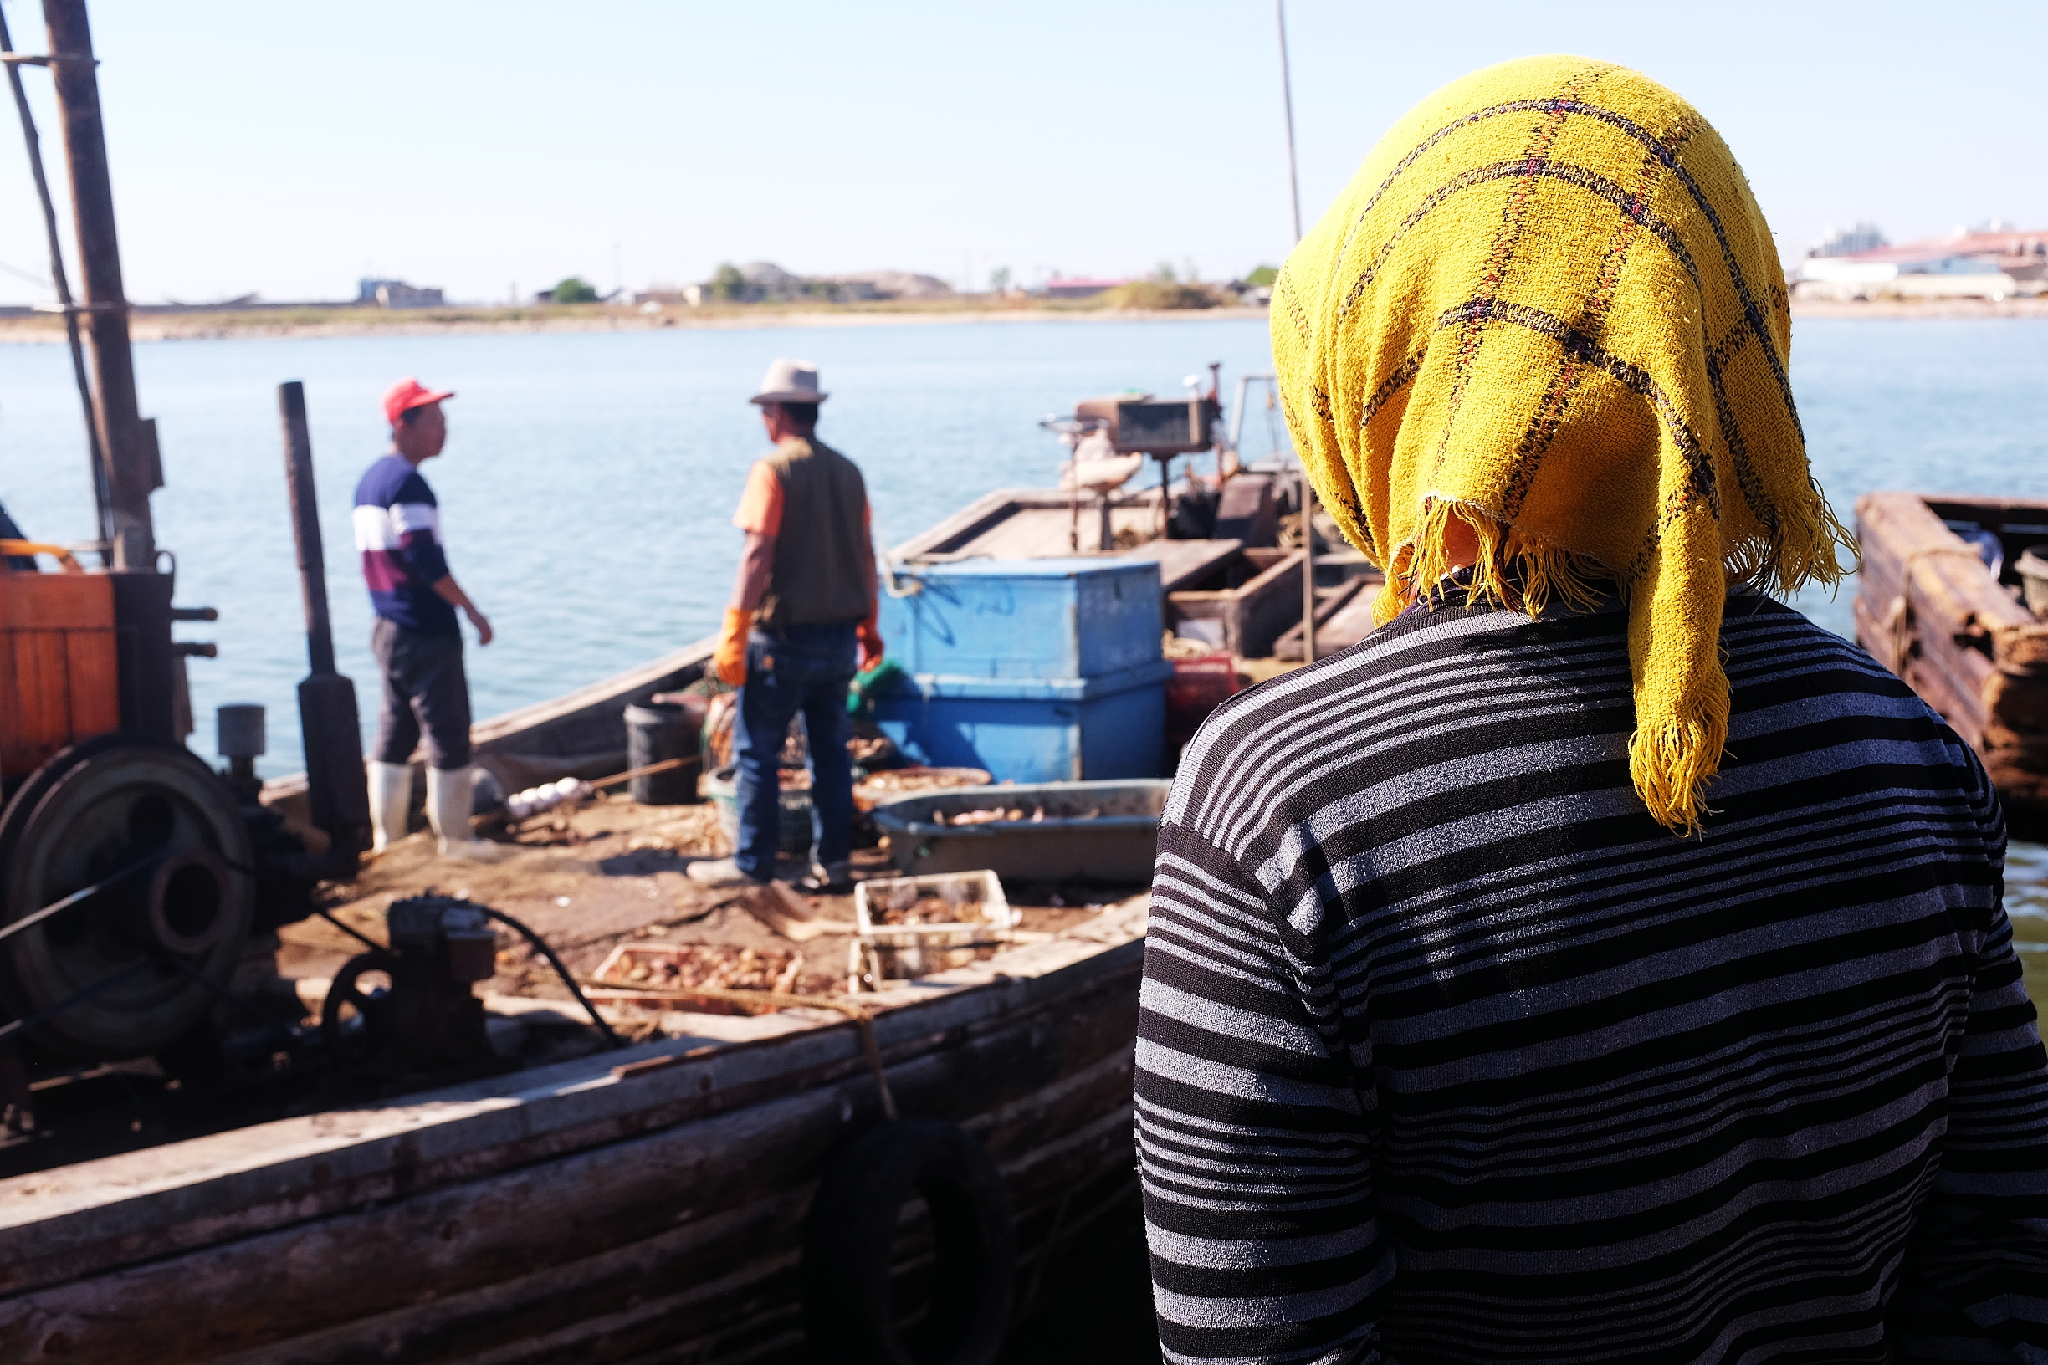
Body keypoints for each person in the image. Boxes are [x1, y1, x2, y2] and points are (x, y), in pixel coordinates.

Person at [1139, 56, 2048, 1363]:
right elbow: (2002, 1274)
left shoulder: (1278, 804)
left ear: (1376, 364)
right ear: (1727, 343)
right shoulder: (1912, 760)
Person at [688, 359, 881, 892]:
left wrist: (733, 630)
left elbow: (757, 553)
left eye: (765, 411)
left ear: (775, 413)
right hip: (840, 639)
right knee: (830, 755)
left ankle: (752, 863)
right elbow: (866, 554)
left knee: (756, 753)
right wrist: (870, 626)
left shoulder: (772, 470)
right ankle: (834, 862)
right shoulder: (848, 471)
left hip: (783, 642)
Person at [355, 378, 502, 859]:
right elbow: (424, 559)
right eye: (435, 421)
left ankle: (388, 838)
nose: (445, 430)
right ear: (404, 426)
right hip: (424, 628)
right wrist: (472, 611)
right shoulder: (408, 483)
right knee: (447, 731)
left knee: (395, 731)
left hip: (388, 627)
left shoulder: (371, 480)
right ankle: (456, 840)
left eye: (444, 420)